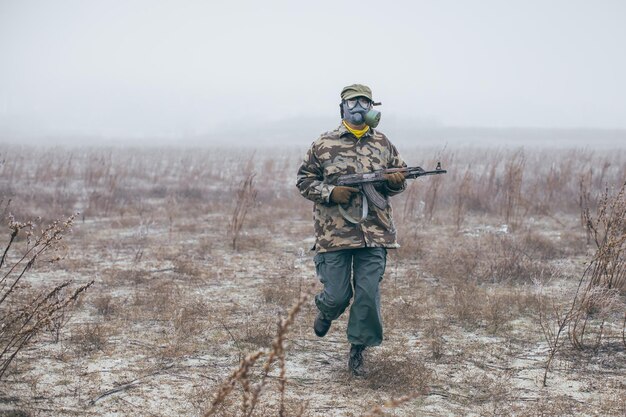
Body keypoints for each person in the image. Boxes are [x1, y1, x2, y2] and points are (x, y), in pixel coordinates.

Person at [296, 84, 407, 376]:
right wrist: (331, 192)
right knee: (337, 295)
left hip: (375, 232)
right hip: (335, 235)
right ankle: (326, 311)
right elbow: (304, 182)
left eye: (365, 103)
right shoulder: (323, 144)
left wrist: (395, 181)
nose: (359, 108)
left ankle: (358, 349)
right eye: (352, 102)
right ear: (342, 107)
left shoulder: (383, 143)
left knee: (368, 294)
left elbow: (399, 178)